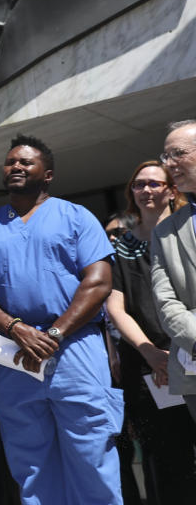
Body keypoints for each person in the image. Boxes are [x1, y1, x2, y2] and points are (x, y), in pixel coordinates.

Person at [0, 135, 122, 505]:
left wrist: (52, 334)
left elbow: (98, 283)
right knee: (29, 460)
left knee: (91, 452)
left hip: (75, 346)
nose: (16, 166)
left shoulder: (77, 217)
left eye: (26, 162)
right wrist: (16, 329)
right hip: (13, 350)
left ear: (47, 174)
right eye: (11, 162)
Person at [107, 159, 196, 503]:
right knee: (166, 458)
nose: (145, 190)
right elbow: (116, 308)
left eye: (154, 183)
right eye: (138, 184)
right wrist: (148, 351)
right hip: (148, 366)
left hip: (188, 351)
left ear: (172, 191)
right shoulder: (120, 248)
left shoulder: (184, 234)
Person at [151, 119, 196, 421]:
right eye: (166, 157)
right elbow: (164, 300)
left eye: (177, 153)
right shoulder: (164, 231)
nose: (169, 164)